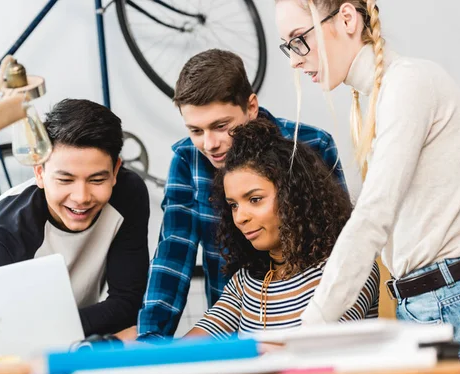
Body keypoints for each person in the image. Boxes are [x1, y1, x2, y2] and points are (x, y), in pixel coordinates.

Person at [275, 0, 460, 357]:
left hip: (449, 302)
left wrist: (309, 328)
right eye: (288, 46)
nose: (294, 60)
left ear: (347, 18)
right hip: (429, 302)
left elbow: (372, 217)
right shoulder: (377, 98)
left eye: (299, 40)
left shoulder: (408, 83)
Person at [137, 49, 348, 340]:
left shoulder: (310, 144)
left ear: (251, 106)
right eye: (196, 131)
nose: (209, 144)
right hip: (234, 320)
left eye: (221, 126)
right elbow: (172, 253)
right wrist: (151, 341)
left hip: (316, 321)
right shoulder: (188, 159)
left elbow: (343, 246)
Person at [186, 119, 379, 339]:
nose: (240, 217)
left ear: (294, 197)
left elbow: (321, 348)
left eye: (255, 199)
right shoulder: (245, 283)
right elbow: (190, 348)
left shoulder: (348, 268)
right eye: (233, 205)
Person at [0, 99, 150, 337]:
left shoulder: (128, 194)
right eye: (65, 180)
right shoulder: (1, 232)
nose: (81, 197)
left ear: (116, 171)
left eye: (97, 180)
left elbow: (127, 303)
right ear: (39, 172)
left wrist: (56, 330)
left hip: (80, 342)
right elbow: (6, 333)